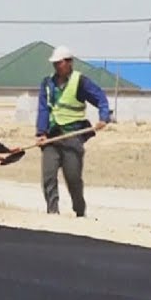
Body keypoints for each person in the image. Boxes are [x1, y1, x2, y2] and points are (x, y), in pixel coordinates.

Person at [35, 46, 111, 217]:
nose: (56, 67)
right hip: (52, 136)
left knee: (73, 178)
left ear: (69, 63)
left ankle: (79, 210)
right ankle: (52, 211)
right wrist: (41, 133)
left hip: (73, 136)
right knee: (48, 175)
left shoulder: (80, 82)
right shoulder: (47, 84)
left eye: (59, 63)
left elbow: (100, 98)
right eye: (54, 64)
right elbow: (43, 110)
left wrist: (103, 118)